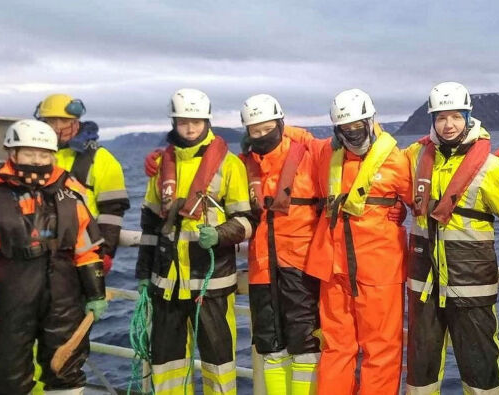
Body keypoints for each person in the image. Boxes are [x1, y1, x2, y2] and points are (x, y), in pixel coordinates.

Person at [0, 119, 107, 394]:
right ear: (12, 154)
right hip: (10, 297)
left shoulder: (71, 197)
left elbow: (87, 249)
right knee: (10, 376)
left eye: (43, 154)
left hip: (64, 295)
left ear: (53, 156)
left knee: (67, 368)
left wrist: (96, 294)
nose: (37, 160)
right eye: (30, 153)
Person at [136, 88, 254, 394]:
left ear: (207, 121)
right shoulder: (161, 165)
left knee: (219, 364)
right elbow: (150, 223)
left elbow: (246, 221)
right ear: (174, 123)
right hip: (167, 284)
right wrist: (142, 275)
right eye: (183, 121)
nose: (190, 128)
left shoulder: (230, 165)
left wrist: (219, 234)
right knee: (167, 366)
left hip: (211, 284)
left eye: (197, 122)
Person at [403, 82, 499, 394]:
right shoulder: (415, 159)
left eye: (455, 116)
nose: (448, 124)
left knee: (481, 370)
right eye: (441, 118)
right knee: (419, 374)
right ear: (432, 121)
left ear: (468, 117)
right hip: (424, 286)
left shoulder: (491, 168)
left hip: (473, 286)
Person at [304, 88, 412, 394]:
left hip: (379, 271)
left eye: (356, 127)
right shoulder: (325, 154)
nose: (352, 134)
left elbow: (420, 202)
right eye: (345, 129)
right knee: (336, 348)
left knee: (381, 350)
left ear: (370, 120)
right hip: (333, 270)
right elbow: (293, 142)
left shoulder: (398, 160)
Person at [239, 94, 321, 395]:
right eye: (255, 131)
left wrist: (295, 133)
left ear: (281, 124)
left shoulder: (309, 154)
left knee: (306, 347)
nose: (262, 136)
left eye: (268, 128)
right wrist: (158, 162)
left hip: (300, 268)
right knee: (270, 347)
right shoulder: (242, 166)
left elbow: (344, 152)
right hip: (261, 270)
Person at [36, 94, 129, 272]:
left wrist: (106, 252)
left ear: (76, 121)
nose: (56, 127)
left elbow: (113, 210)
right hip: (37, 252)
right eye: (51, 121)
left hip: (81, 252)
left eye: (63, 120)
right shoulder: (33, 155)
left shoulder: (101, 159)